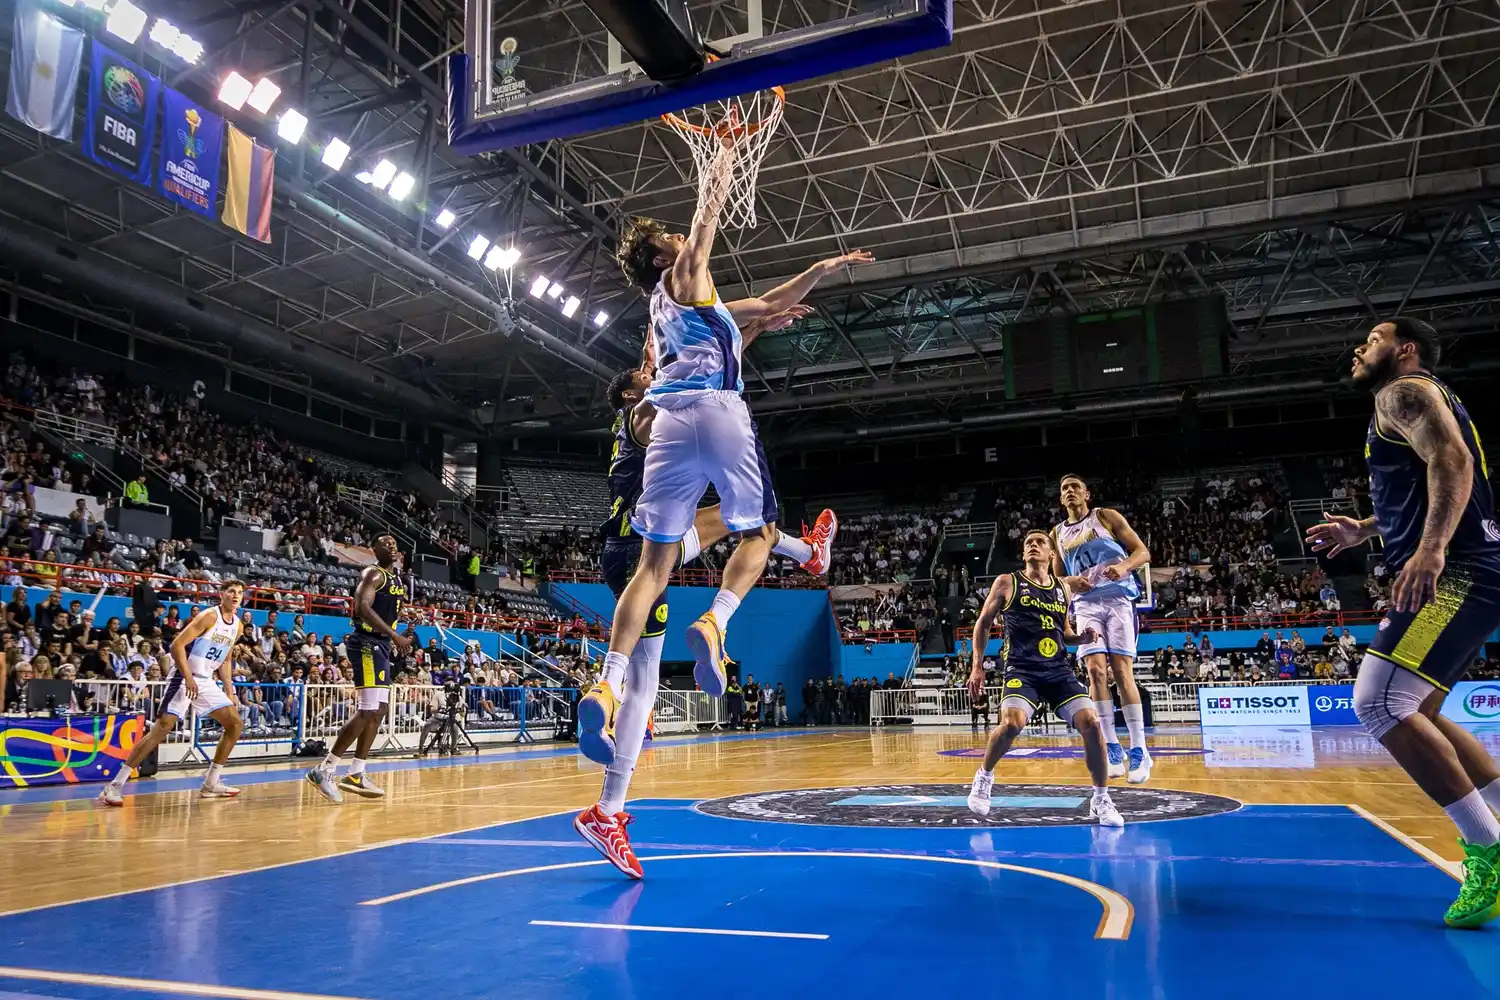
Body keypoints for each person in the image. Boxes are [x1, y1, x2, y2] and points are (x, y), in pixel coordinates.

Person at [1306, 316, 1500, 928]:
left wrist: (1431, 548)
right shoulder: (1420, 398)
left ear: (1405, 349)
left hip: (1460, 567)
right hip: (1479, 563)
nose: (1359, 349)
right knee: (1422, 711)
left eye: (1372, 340)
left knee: (1381, 703)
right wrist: (1364, 528)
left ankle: (1486, 848)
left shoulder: (1404, 390)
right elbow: (1423, 476)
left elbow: (1452, 461)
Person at [965, 531, 1122, 827]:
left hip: (1058, 671)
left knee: (1092, 723)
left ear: (1052, 554)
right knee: (1012, 723)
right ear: (1024, 554)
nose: (1032, 545)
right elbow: (983, 623)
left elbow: (1065, 633)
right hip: (1022, 670)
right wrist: (977, 666)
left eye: (1039, 542)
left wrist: (1082, 637)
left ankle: (1101, 798)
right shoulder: (1007, 582)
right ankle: (984, 777)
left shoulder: (1062, 588)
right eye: (1028, 543)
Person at [96, 580, 248, 805]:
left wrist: (229, 690)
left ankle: (211, 782)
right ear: (222, 594)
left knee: (235, 724)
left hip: (206, 680)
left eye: (239, 593)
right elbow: (177, 645)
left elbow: (225, 659)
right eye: (231, 592)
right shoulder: (209, 616)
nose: (235, 596)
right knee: (161, 730)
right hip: (184, 676)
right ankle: (114, 785)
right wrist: (187, 678)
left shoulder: (238, 625)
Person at [1051, 474, 1153, 783]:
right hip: (1085, 605)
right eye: (1064, 489)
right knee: (1095, 671)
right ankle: (1111, 746)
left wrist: (1123, 567)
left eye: (1075, 487)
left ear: (1086, 494)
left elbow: (1142, 552)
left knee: (1121, 672)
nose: (1070, 491)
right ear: (1060, 499)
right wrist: (1070, 586)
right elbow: (1057, 583)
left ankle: (1140, 749)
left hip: (1119, 599)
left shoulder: (1105, 516)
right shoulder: (1057, 533)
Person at [304, 533, 411, 803]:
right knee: (367, 709)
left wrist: (396, 629)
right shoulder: (372, 573)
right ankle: (324, 769)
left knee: (381, 709)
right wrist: (395, 635)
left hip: (382, 644)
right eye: (385, 543)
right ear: (374, 550)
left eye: (394, 542)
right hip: (366, 642)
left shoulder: (398, 579)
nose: (392, 545)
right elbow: (362, 607)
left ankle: (356, 773)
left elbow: (387, 608)